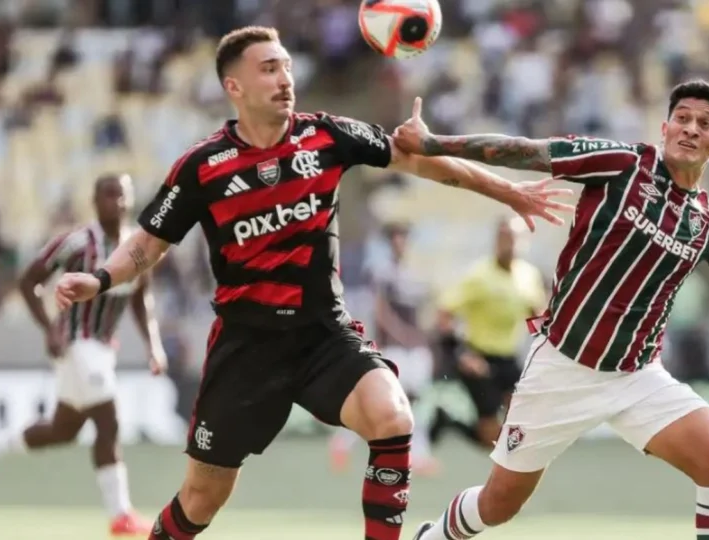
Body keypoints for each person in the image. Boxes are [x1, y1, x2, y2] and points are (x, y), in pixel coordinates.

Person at [52, 26, 572, 540]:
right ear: (234, 88)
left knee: (391, 416)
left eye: (287, 66)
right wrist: (99, 279)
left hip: (324, 334)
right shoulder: (202, 167)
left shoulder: (327, 135)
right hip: (247, 346)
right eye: (269, 68)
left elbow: (416, 160)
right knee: (201, 499)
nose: (285, 78)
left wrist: (508, 191)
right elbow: (148, 242)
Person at [392, 79, 709, 540]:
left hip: (636, 376)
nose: (692, 129)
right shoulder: (622, 163)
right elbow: (526, 150)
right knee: (498, 504)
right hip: (562, 366)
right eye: (683, 118)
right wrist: (434, 143)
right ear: (665, 126)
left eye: (706, 124)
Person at [0, 173, 166, 536]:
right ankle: (121, 516)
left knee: (64, 430)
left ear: (130, 200)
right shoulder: (76, 242)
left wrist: (154, 344)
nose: (116, 203)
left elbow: (140, 298)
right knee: (109, 420)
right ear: (95, 200)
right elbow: (29, 280)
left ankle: (2, 442)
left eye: (122, 196)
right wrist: (50, 327)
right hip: (76, 343)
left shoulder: (139, 246)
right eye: (109, 195)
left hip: (102, 347)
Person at [329, 222, 441, 475]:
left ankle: (419, 456)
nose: (400, 242)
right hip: (394, 348)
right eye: (396, 238)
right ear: (390, 242)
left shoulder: (414, 273)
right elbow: (380, 310)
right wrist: (401, 335)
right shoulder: (381, 272)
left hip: (414, 348)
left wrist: (424, 338)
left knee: (416, 402)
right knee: (386, 404)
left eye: (404, 237)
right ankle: (343, 441)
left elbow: (423, 311)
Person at [431, 217, 547, 449]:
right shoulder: (479, 275)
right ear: (496, 240)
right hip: (479, 359)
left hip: (509, 358)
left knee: (523, 423)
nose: (510, 243)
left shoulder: (528, 275)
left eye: (515, 237)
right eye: (505, 237)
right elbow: (444, 314)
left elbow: (538, 317)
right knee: (492, 440)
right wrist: (462, 353)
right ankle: (448, 420)